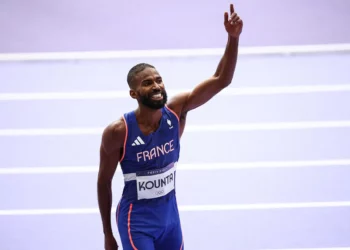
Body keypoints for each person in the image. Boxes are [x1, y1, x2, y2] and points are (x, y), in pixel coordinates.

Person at [97, 3, 243, 250]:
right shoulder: (118, 132)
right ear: (134, 93)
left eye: (158, 80)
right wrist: (108, 235)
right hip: (136, 223)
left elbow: (222, 80)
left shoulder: (176, 112)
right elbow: (103, 182)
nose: (156, 86)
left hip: (170, 219)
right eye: (147, 83)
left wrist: (233, 38)